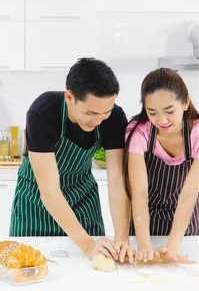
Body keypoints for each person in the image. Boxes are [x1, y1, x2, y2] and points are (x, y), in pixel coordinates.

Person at [10, 57, 133, 261]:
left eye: (106, 113)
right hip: (35, 203)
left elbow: (117, 181)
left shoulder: (114, 118)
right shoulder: (43, 111)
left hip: (83, 200)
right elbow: (49, 191)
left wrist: (122, 238)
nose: (98, 120)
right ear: (69, 97)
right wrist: (87, 245)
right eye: (90, 113)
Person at [124, 68, 199, 263]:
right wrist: (144, 246)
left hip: (186, 225)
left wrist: (173, 247)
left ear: (186, 102)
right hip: (143, 221)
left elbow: (188, 195)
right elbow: (139, 193)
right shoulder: (137, 131)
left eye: (169, 111)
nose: (162, 120)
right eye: (152, 112)